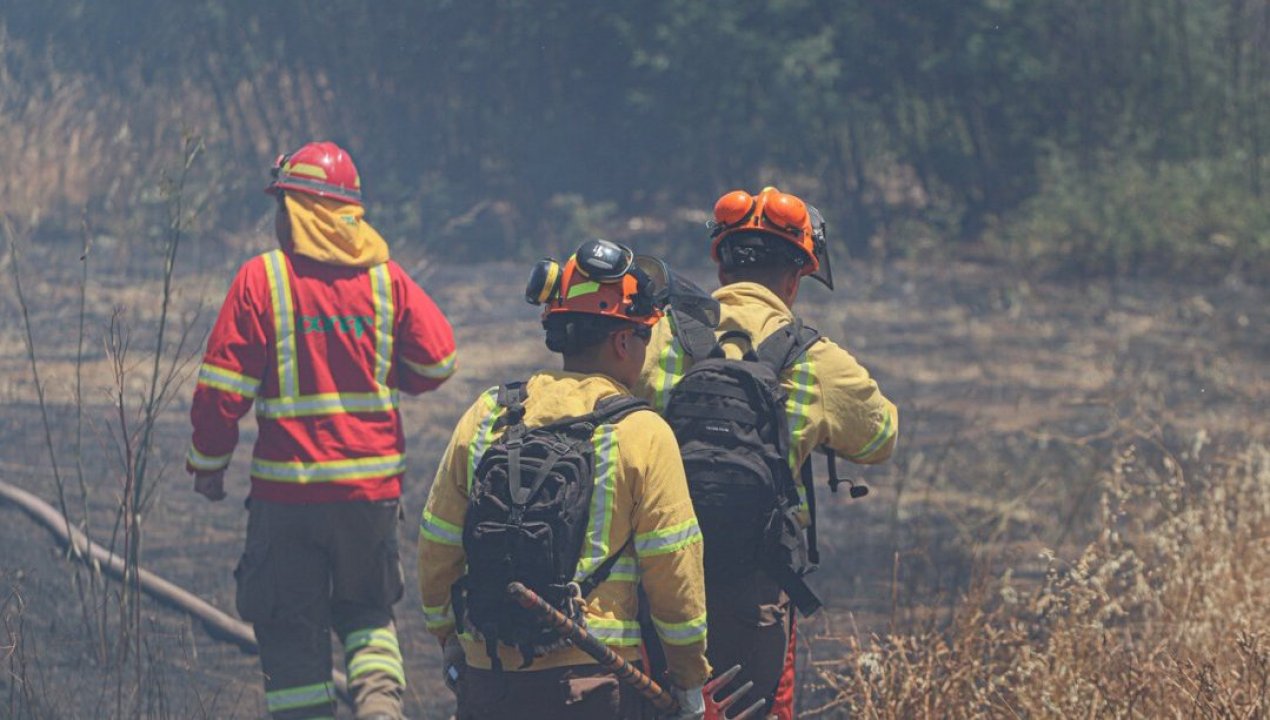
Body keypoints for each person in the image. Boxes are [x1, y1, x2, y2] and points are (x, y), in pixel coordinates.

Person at [185, 141, 457, 720]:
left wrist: (209, 466)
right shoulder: (386, 280)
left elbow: (220, 393)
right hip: (371, 498)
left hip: (289, 498)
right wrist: (383, 365)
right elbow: (437, 362)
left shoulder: (264, 279)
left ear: (297, 211)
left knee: (288, 629)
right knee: (369, 614)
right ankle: (381, 712)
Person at [635, 187, 898, 720]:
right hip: (755, 583)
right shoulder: (815, 357)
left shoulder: (656, 338)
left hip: (654, 572)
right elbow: (879, 438)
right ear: (797, 274)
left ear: (721, 264)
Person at [418, 239, 710, 720]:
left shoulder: (489, 414)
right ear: (622, 341)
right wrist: (688, 680)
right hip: (595, 684)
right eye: (644, 337)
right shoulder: (642, 432)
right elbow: (674, 573)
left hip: (490, 679)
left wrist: (451, 639)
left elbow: (438, 543)